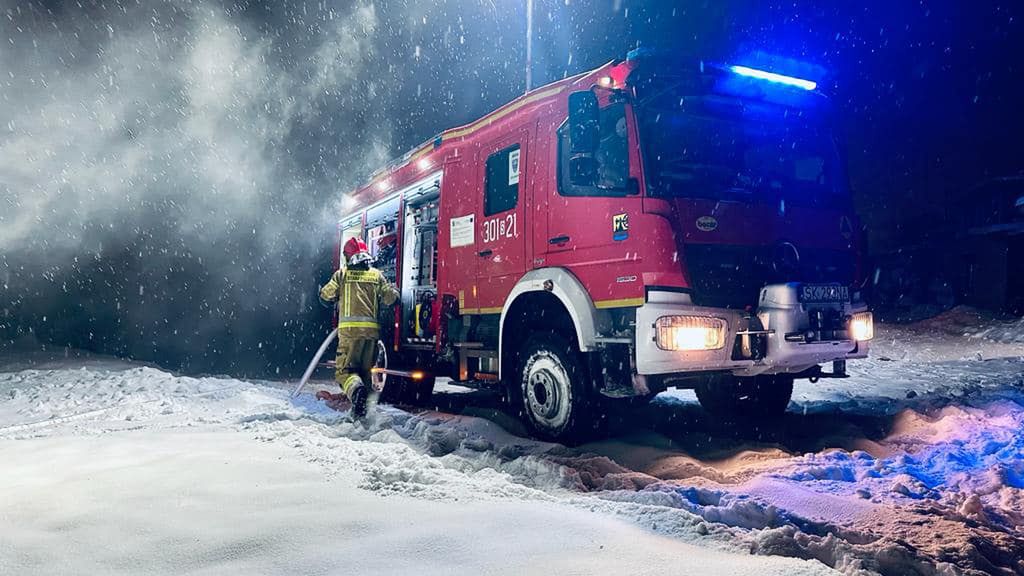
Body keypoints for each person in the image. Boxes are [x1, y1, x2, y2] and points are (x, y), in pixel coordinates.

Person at [319, 237, 399, 417]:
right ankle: (361, 417)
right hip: (371, 336)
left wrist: (324, 294)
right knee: (364, 374)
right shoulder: (376, 275)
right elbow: (391, 298)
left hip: (349, 335)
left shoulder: (342, 275)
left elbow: (325, 296)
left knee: (344, 373)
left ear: (348, 257)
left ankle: (356, 393)